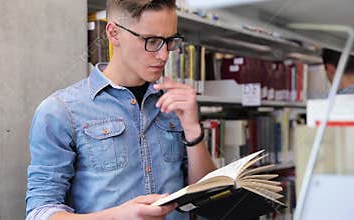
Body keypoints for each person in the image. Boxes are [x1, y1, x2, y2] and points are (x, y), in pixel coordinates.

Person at [25, 0, 216, 219]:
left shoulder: (176, 105)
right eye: (151, 41)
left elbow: (206, 201)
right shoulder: (60, 110)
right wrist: (117, 216)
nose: (164, 55)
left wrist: (193, 130)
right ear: (113, 33)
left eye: (170, 41)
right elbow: (39, 213)